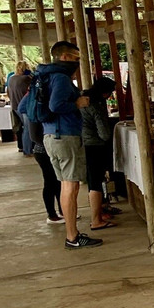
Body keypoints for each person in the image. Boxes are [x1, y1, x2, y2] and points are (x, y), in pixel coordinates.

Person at [40, 41, 101, 249]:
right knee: (70, 186)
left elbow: (24, 106)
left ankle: (72, 235)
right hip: (65, 136)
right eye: (76, 58)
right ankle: (72, 236)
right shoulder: (61, 78)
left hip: (50, 135)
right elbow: (56, 105)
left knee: (66, 185)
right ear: (64, 57)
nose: (77, 62)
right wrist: (78, 103)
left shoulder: (45, 76)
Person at [17, 89, 63, 224]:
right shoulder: (35, 112)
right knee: (50, 182)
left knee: (58, 182)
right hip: (43, 151)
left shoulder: (39, 109)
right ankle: (52, 214)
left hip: (46, 149)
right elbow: (34, 136)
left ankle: (62, 210)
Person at [81, 76, 118, 232]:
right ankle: (96, 219)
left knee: (93, 180)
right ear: (105, 93)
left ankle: (101, 210)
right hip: (95, 145)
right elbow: (104, 134)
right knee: (96, 181)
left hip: (83, 143)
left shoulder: (82, 99)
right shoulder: (95, 105)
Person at [6, 60, 32, 157]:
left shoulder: (11, 78)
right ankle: (28, 150)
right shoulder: (26, 78)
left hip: (15, 106)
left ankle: (23, 147)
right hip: (24, 107)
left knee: (21, 128)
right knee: (28, 128)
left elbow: (8, 92)